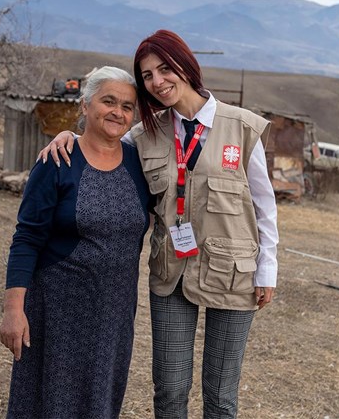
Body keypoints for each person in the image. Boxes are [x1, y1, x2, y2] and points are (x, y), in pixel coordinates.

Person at [41, 30, 279, 418]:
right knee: (169, 390)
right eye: (148, 75)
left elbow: (265, 207)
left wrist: (267, 269)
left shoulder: (242, 128)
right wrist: (69, 134)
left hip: (233, 273)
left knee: (220, 396)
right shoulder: (144, 135)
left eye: (165, 69)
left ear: (186, 65)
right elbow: (103, 140)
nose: (157, 82)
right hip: (172, 273)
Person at [0, 66, 150, 418]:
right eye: (108, 101)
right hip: (57, 310)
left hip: (114, 313)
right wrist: (12, 310)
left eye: (127, 106)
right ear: (85, 105)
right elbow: (26, 237)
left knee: (100, 401)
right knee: (47, 402)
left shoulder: (138, 163)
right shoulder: (57, 160)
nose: (118, 111)